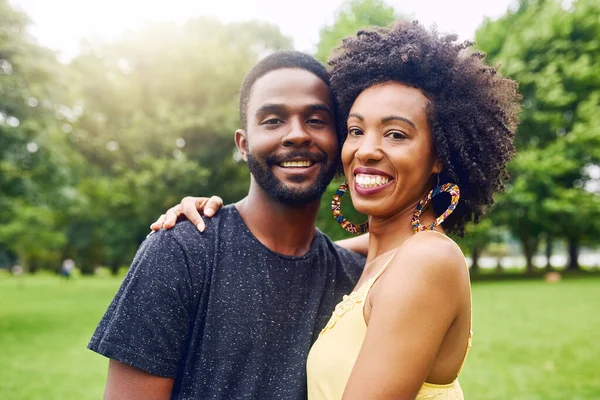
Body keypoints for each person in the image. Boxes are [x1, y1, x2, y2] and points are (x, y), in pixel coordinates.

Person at [155, 21, 520, 399]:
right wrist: (215, 225)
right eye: (356, 130)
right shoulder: (380, 258)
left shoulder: (428, 259)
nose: (366, 150)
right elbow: (290, 255)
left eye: (396, 134)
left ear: (439, 156)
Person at [88, 51, 367, 400]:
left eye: (315, 120)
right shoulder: (179, 251)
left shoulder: (357, 283)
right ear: (243, 143)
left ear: (340, 140)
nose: (297, 135)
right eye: (273, 120)